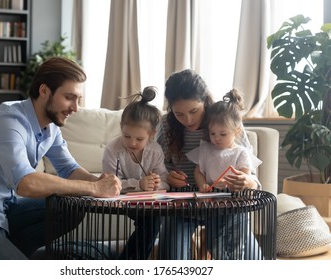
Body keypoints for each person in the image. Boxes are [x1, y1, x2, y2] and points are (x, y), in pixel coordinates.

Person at [0, 57, 122, 260]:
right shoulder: (9, 122)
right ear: (44, 91)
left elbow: (69, 168)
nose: (75, 108)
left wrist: (100, 182)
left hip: (0, 209)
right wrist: (93, 188)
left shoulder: (50, 127)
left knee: (71, 207)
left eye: (78, 99)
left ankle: (2, 255)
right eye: (69, 97)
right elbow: (26, 184)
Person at [156, 69, 261, 260]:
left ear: (205, 100)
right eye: (179, 113)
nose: (188, 120)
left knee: (252, 260)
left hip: (226, 208)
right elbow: (156, 167)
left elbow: (251, 174)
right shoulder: (165, 125)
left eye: (194, 111)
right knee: (172, 257)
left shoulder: (226, 119)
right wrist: (167, 177)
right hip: (182, 208)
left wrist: (248, 181)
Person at [102, 86, 169, 259]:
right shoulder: (112, 149)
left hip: (149, 204)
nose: (132, 143)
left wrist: (156, 183)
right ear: (121, 127)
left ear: (152, 134)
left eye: (139, 139)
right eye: (126, 136)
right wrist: (138, 184)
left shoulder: (155, 151)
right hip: (123, 200)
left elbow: (165, 181)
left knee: (153, 220)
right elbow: (108, 184)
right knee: (152, 221)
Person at [187, 88, 262, 193]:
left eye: (223, 134)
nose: (216, 138)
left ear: (237, 131)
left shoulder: (241, 152)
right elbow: (198, 172)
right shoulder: (206, 150)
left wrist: (231, 183)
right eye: (212, 133)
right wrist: (202, 184)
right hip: (211, 198)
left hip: (233, 198)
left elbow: (245, 176)